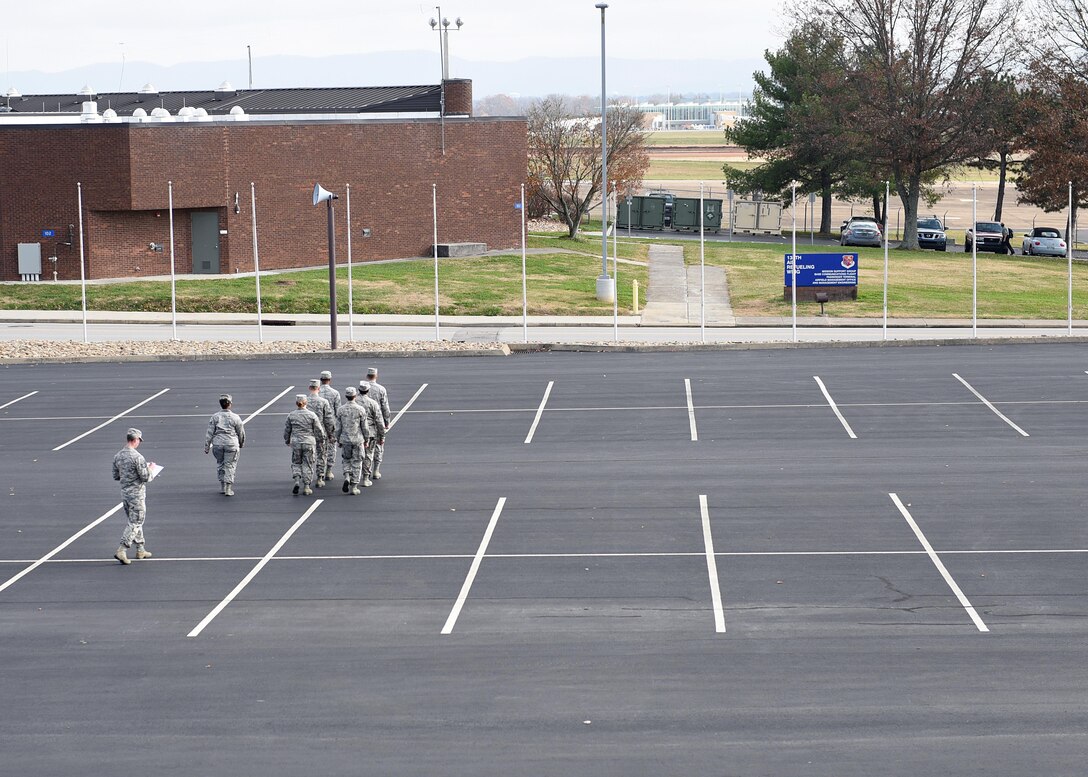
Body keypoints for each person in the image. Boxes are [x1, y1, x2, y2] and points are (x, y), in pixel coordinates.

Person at [112, 427, 153, 565]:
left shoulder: (118, 456)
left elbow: (115, 476)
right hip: (137, 494)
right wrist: (151, 469)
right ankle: (122, 549)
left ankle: (140, 548)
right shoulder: (138, 457)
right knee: (136, 521)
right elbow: (146, 477)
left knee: (135, 521)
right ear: (135, 440)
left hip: (125, 494)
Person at [204, 393, 245, 496]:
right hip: (231, 444)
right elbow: (241, 432)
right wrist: (241, 443)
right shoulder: (235, 417)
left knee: (221, 464)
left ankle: (222, 486)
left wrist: (207, 446)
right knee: (230, 465)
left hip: (218, 444)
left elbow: (209, 433)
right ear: (230, 404)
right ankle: (228, 488)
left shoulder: (215, 417)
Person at [284, 394, 325, 496]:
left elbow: (287, 430)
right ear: (306, 403)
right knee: (308, 464)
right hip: (309, 442)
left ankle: (297, 480)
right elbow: (319, 430)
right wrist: (321, 440)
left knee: (296, 462)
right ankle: (306, 486)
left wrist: (287, 440)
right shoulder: (312, 415)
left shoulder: (291, 415)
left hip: (296, 442)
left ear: (296, 403)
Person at [334, 386, 370, 495]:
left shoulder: (340, 409)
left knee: (346, 460)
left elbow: (338, 427)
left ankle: (347, 476)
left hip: (345, 439)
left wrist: (338, 439)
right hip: (357, 440)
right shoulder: (360, 409)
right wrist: (366, 439)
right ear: (355, 396)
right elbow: (365, 427)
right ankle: (354, 486)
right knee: (357, 462)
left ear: (346, 396)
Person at [306, 379, 335, 488]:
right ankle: (320, 478)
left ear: (309, 388)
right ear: (318, 388)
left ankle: (306, 480)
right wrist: (330, 433)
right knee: (321, 455)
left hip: (308, 433)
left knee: (308, 457)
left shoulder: (305, 401)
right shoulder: (323, 402)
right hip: (321, 433)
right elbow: (328, 420)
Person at [363, 367, 391, 480]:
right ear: (376, 376)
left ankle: (365, 471)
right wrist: (387, 421)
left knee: (365, 448)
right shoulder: (381, 389)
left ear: (367, 376)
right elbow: (385, 407)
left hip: (363, 422)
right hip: (377, 421)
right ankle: (376, 470)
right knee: (379, 445)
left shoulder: (362, 389)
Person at [358, 382, 385, 488]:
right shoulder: (373, 403)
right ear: (368, 391)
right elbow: (379, 421)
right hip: (370, 433)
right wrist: (381, 436)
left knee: (354, 457)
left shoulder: (354, 401)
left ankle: (351, 477)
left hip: (356, 433)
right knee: (368, 455)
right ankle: (365, 478)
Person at [318, 370, 342, 481]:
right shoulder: (335, 393)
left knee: (320, 449)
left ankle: (320, 473)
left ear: (320, 379)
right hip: (331, 424)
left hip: (318, 426)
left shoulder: (316, 392)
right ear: (330, 379)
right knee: (331, 448)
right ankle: (329, 471)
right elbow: (338, 411)